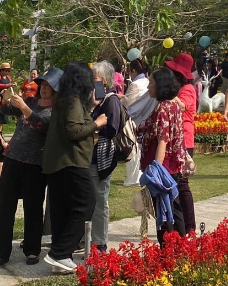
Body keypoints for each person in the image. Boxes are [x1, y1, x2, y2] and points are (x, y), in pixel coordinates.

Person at [0, 67, 62, 269]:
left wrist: (24, 108)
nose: (44, 89)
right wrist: (6, 98)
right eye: (42, 85)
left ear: (56, 89)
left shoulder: (57, 110)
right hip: (12, 158)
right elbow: (7, 109)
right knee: (5, 206)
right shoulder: (30, 101)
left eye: (48, 86)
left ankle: (32, 249)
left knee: (33, 208)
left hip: (35, 164)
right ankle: (1, 253)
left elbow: (42, 124)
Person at [42, 63, 100, 273]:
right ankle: (59, 252)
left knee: (62, 210)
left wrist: (90, 108)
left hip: (55, 163)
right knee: (86, 203)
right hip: (72, 162)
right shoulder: (74, 101)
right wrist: (97, 123)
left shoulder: (63, 100)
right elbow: (74, 130)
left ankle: (61, 258)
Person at [139, 67, 189, 245]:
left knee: (164, 212)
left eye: (151, 83)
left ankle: (168, 251)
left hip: (164, 168)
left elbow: (163, 140)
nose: (148, 87)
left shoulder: (163, 108)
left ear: (160, 85)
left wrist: (155, 172)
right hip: (173, 165)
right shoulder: (173, 104)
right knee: (175, 210)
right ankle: (181, 248)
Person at [89, 61, 122, 254]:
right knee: (88, 201)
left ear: (106, 81)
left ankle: (99, 242)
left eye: (95, 79)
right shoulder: (94, 100)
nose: (92, 83)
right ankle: (86, 239)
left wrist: (95, 127)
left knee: (100, 201)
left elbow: (112, 129)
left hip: (101, 159)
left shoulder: (111, 100)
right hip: (88, 157)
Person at [165, 53, 197, 234]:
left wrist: (167, 92)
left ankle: (190, 227)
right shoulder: (179, 89)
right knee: (176, 183)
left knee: (182, 184)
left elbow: (182, 106)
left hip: (184, 140)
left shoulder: (187, 89)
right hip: (175, 140)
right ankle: (180, 225)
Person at [122, 58, 158, 186]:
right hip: (145, 117)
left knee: (133, 147)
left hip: (135, 119)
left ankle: (133, 178)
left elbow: (128, 103)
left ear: (133, 71)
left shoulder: (135, 84)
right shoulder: (147, 81)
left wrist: (120, 99)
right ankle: (138, 175)